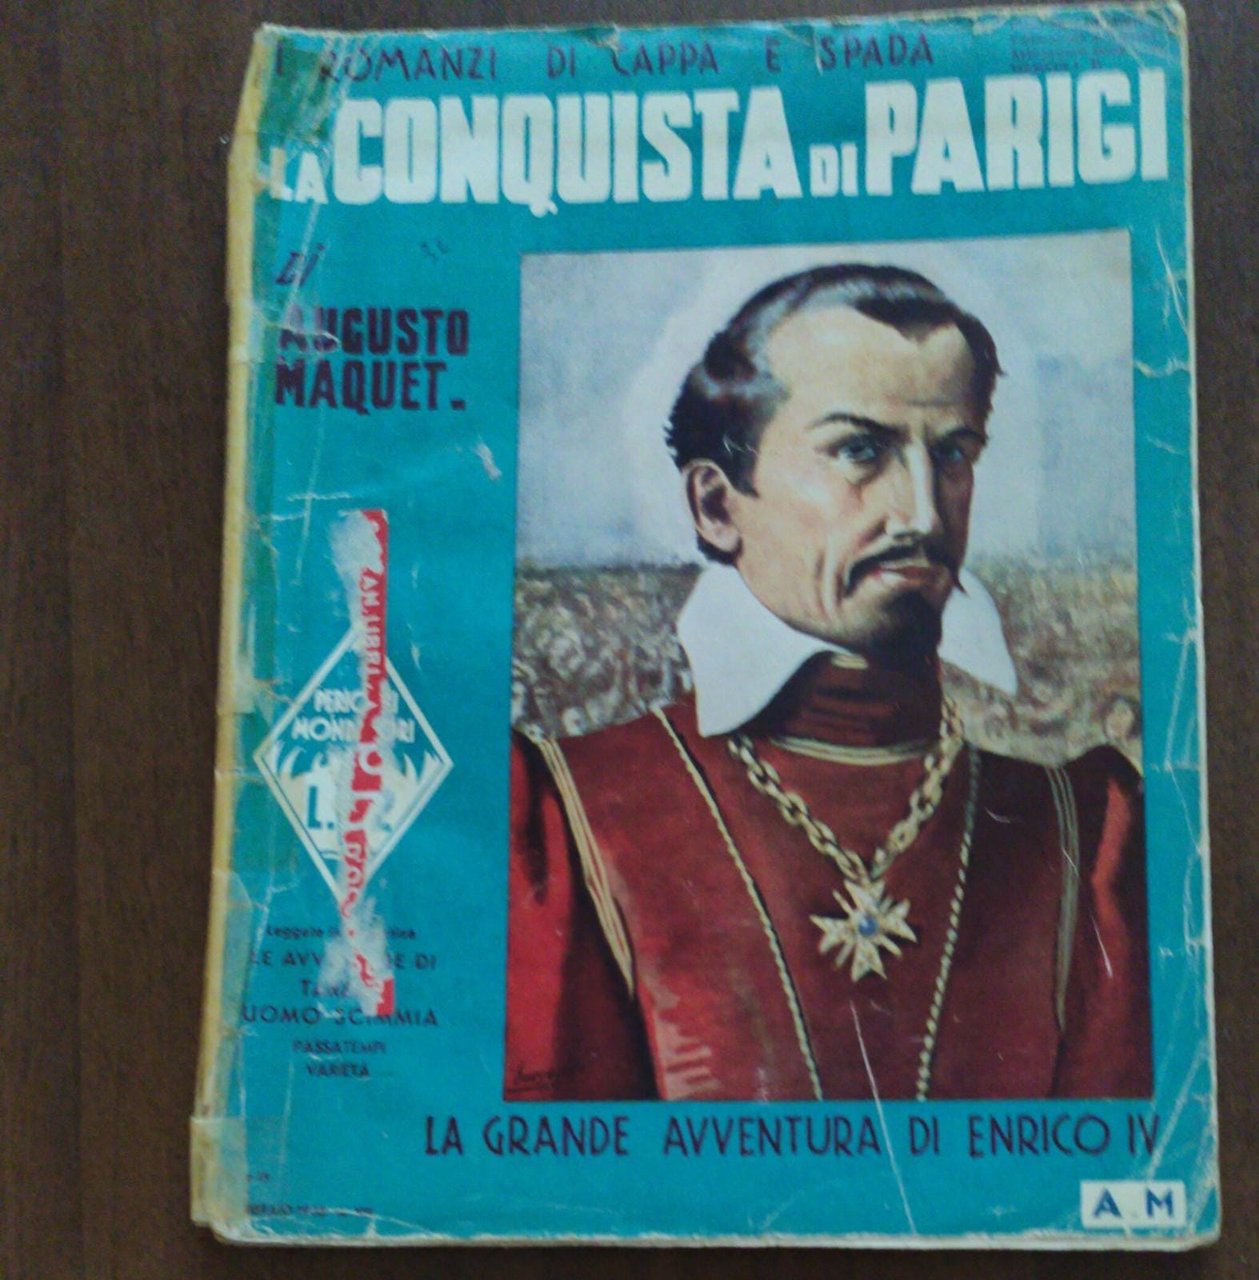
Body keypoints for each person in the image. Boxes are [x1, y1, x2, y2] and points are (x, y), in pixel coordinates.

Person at [505, 264, 1150, 1102]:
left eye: (952, 454)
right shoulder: (564, 822)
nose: (922, 513)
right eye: (859, 451)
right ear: (716, 506)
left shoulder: (1090, 831)